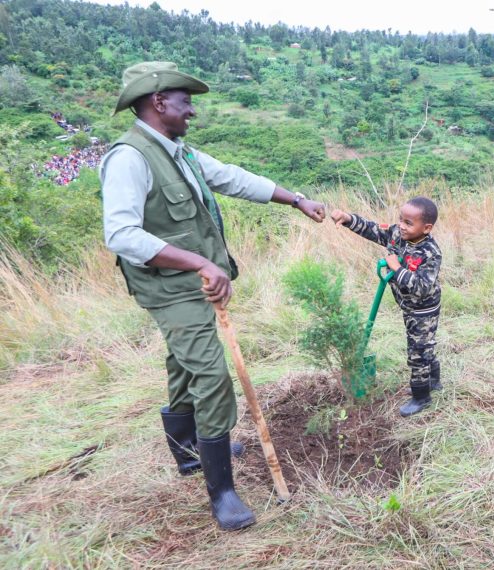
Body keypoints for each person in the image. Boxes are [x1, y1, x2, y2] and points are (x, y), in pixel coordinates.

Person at [100, 62, 326, 531]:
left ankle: (189, 452)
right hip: (167, 287)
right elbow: (121, 234)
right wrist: (200, 262)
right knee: (210, 373)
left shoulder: (179, 151)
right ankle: (222, 492)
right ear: (158, 102)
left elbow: (232, 178)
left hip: (187, 282)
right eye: (185, 101)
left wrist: (297, 199)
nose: (192, 111)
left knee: (183, 362)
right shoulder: (130, 158)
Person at [330, 198, 442, 417]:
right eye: (401, 220)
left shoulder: (430, 253)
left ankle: (421, 396)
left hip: (423, 309)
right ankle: (433, 381)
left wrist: (397, 268)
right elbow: (373, 229)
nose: (401, 226)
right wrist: (348, 219)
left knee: (418, 352)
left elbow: (421, 287)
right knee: (424, 344)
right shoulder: (397, 235)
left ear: (426, 228)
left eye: (409, 223)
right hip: (407, 306)